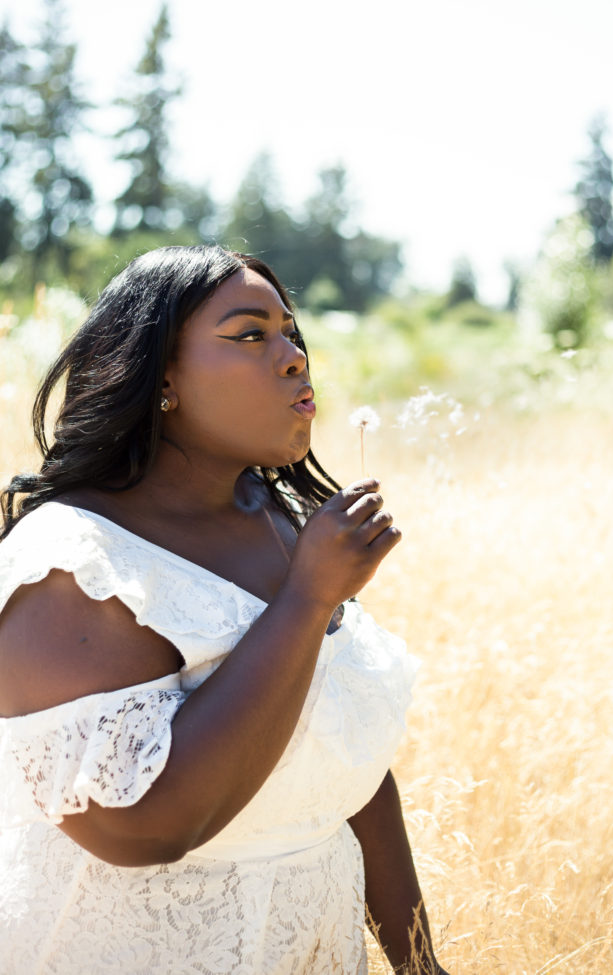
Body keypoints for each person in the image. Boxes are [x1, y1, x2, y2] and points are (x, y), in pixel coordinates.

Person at [0, 244, 448, 975]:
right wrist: (307, 598)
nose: (294, 356)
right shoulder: (72, 564)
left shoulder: (278, 519)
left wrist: (421, 965)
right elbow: (144, 828)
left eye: (292, 332)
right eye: (249, 334)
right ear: (161, 376)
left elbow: (348, 762)